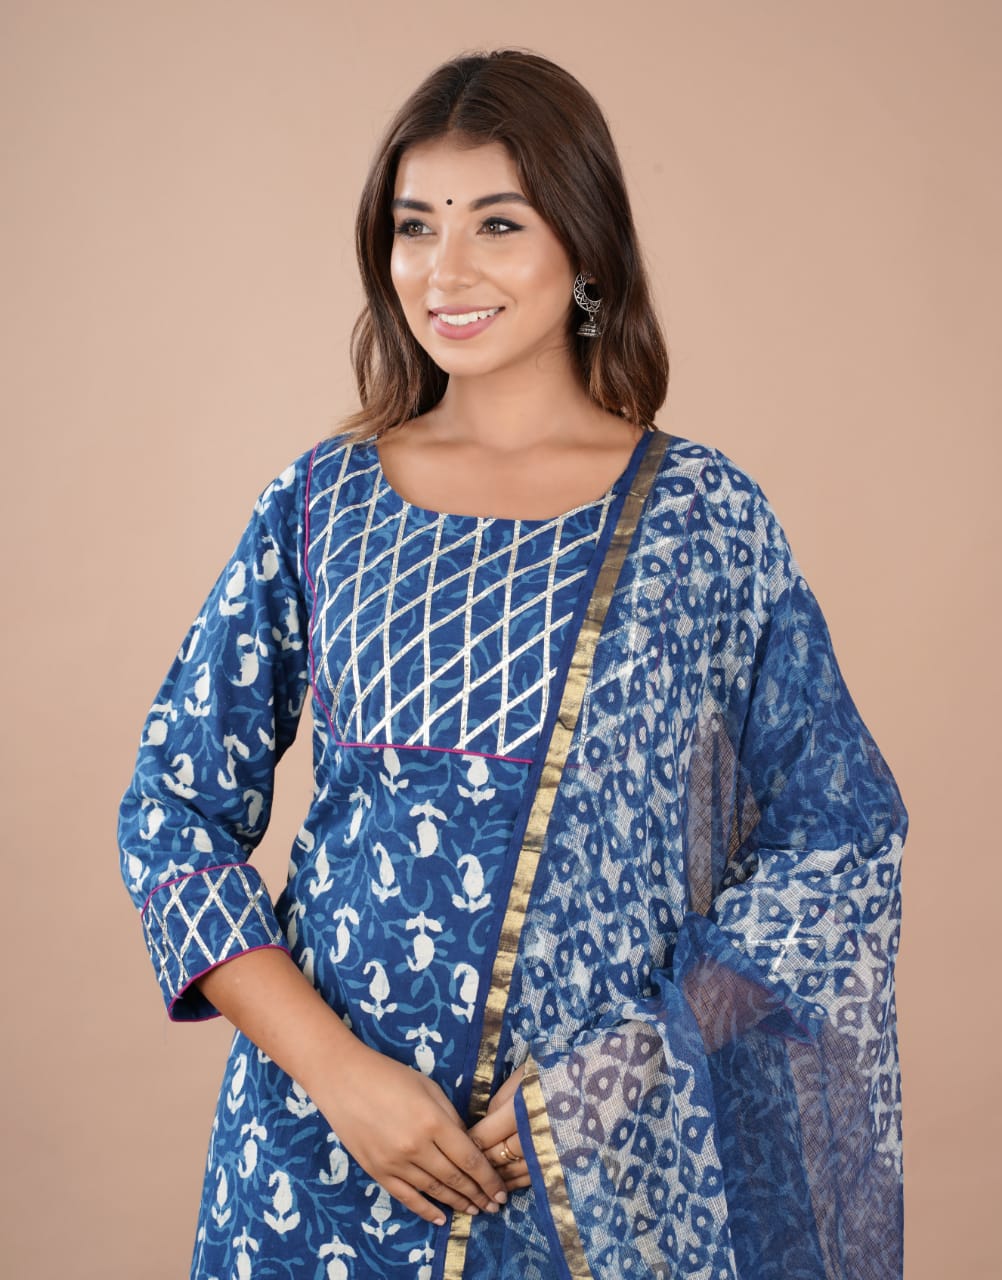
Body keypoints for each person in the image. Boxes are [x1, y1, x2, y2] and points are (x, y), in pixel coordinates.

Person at [119, 49, 906, 1280]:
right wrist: (339, 1074)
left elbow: (839, 838)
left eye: (497, 222)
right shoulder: (322, 503)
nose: (446, 270)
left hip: (606, 1176)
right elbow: (171, 807)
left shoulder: (702, 519)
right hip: (320, 1167)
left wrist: (625, 1069)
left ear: (585, 246)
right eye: (414, 226)